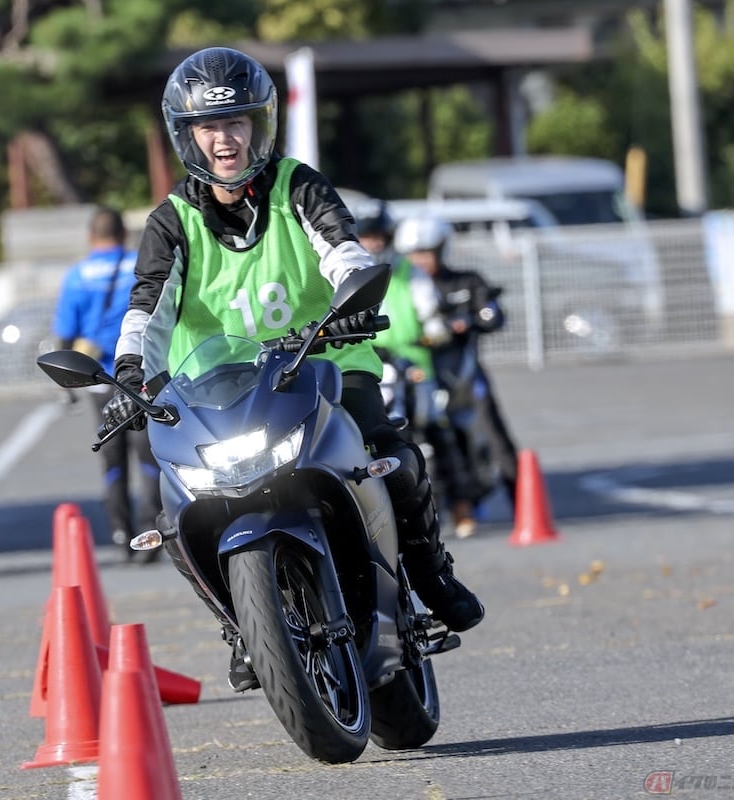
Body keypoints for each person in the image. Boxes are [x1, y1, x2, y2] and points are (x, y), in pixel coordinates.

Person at [103, 47, 484, 691]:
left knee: (394, 456)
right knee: (175, 513)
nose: (224, 139)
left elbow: (341, 248)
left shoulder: (297, 185)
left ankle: (431, 574)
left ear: (261, 125)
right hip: (218, 388)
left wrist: (354, 296)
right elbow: (148, 306)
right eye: (208, 127)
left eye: (236, 122)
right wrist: (130, 370)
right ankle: (242, 625)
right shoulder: (171, 221)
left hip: (324, 361)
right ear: (186, 134)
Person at [355, 202, 480, 538]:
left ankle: (461, 507)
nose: (373, 243)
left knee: (437, 429)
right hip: (369, 365)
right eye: (366, 236)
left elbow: (431, 315)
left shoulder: (410, 273)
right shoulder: (347, 273)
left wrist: (434, 333)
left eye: (378, 236)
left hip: (414, 365)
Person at [394, 215, 521, 534]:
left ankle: (522, 505)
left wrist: (466, 322)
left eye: (428, 252)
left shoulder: (467, 281)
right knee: (425, 445)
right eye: (415, 254)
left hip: (464, 376)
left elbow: (492, 316)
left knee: (495, 436)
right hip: (421, 378)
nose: (421, 260)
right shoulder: (405, 285)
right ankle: (444, 512)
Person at [52, 206, 162, 562]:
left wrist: (64, 384)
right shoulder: (139, 265)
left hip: (98, 377)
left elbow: (65, 333)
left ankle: (120, 532)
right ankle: (151, 533)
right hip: (141, 376)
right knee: (148, 457)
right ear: (123, 234)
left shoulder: (77, 276)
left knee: (113, 459)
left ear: (90, 237)